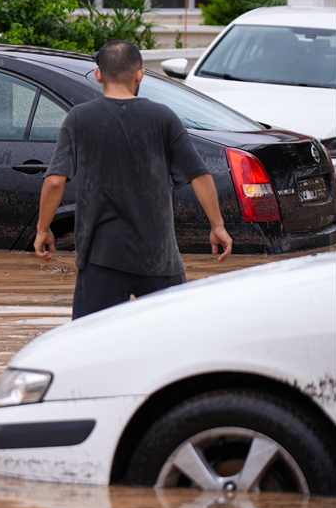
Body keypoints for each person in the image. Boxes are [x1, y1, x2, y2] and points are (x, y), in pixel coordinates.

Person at [34, 39, 233, 319]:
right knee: (175, 336)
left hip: (101, 257)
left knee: (90, 338)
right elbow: (199, 175)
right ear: (140, 75)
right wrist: (218, 226)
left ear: (98, 75)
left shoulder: (79, 118)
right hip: (159, 256)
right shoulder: (163, 117)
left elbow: (55, 181)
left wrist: (43, 229)